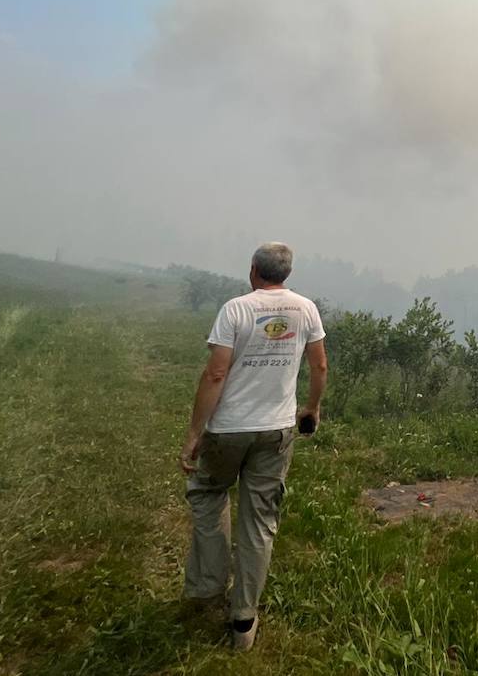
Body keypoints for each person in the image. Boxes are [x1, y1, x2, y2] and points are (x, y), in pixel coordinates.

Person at [178, 241, 328, 652]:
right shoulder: (306, 309)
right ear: (287, 273)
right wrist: (311, 407)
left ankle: (207, 588)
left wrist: (195, 433)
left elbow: (215, 374)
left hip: (228, 430)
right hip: (276, 431)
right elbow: (319, 365)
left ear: (252, 271)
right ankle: (244, 621)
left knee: (209, 493)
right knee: (259, 521)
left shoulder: (236, 309)